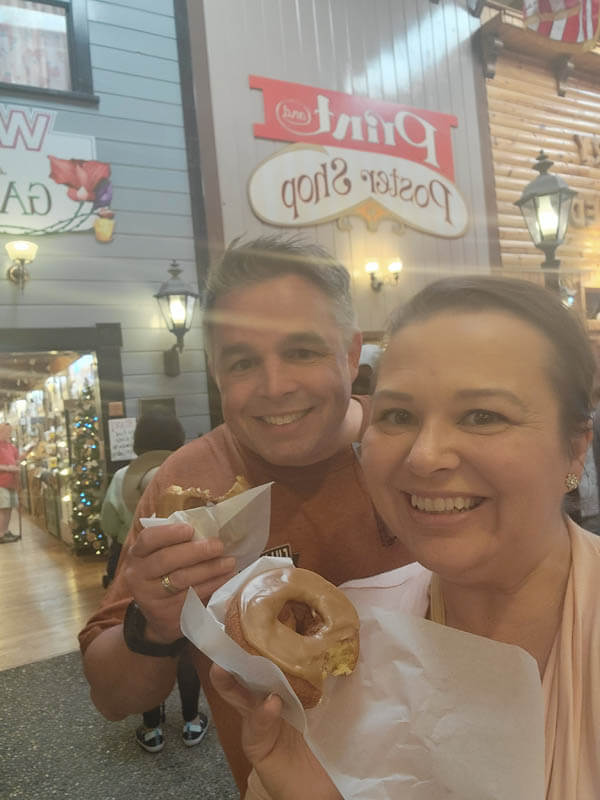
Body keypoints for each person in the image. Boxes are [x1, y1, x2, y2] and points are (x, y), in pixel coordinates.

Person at [212, 275, 600, 800]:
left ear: (575, 448)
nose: (424, 456)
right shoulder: (341, 648)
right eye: (398, 415)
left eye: (482, 416)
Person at [78, 235, 412, 794]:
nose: (275, 386)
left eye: (302, 351)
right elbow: (114, 698)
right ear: (215, 370)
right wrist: (154, 624)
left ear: (351, 354)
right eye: (243, 362)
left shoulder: (416, 449)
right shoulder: (186, 488)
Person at [99, 412, 207, 752]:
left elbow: (108, 522)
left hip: (130, 564)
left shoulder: (122, 478)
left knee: (142, 638)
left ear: (138, 442)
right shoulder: (188, 474)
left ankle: (152, 727)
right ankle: (191, 720)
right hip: (182, 563)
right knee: (186, 639)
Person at [0, 422, 20, 544]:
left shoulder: (10, 446)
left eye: (9, 431)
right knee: (3, 508)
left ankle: (5, 531)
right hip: (1, 482)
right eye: (6, 431)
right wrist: (8, 468)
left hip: (12, 482)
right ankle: (1, 534)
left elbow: (16, 460)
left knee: (9, 508)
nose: (8, 433)